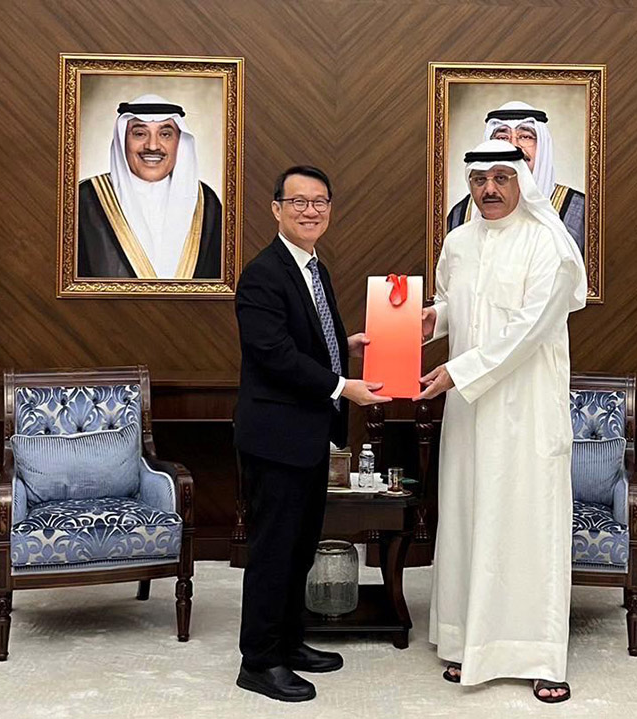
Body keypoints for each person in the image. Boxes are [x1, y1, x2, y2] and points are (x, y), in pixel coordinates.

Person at [417, 139, 587, 703]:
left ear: (521, 181)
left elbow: (528, 329)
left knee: (527, 524)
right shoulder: (458, 242)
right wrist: (431, 321)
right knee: (468, 517)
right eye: (479, 180)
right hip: (469, 412)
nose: (488, 189)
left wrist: (457, 370)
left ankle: (539, 656)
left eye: (501, 178)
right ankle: (465, 642)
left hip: (526, 412)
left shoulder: (550, 245)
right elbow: (457, 305)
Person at [234, 165, 391, 703]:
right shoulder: (262, 273)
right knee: (273, 551)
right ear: (276, 209)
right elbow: (273, 354)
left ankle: (288, 642)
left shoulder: (313, 267)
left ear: (329, 209)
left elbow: (304, 337)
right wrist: (344, 385)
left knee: (299, 550)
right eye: (298, 201)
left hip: (305, 434)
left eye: (319, 201)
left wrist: (345, 346)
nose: (310, 210)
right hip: (275, 437)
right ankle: (259, 662)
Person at [77, 94, 223, 279]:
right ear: (123, 140)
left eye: (165, 134)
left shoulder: (206, 202)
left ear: (179, 141)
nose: (153, 146)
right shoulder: (85, 199)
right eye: (140, 134)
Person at [446, 100, 586, 256]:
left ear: (542, 146)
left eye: (525, 136)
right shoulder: (461, 214)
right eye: (502, 137)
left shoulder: (581, 211)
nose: (513, 145)